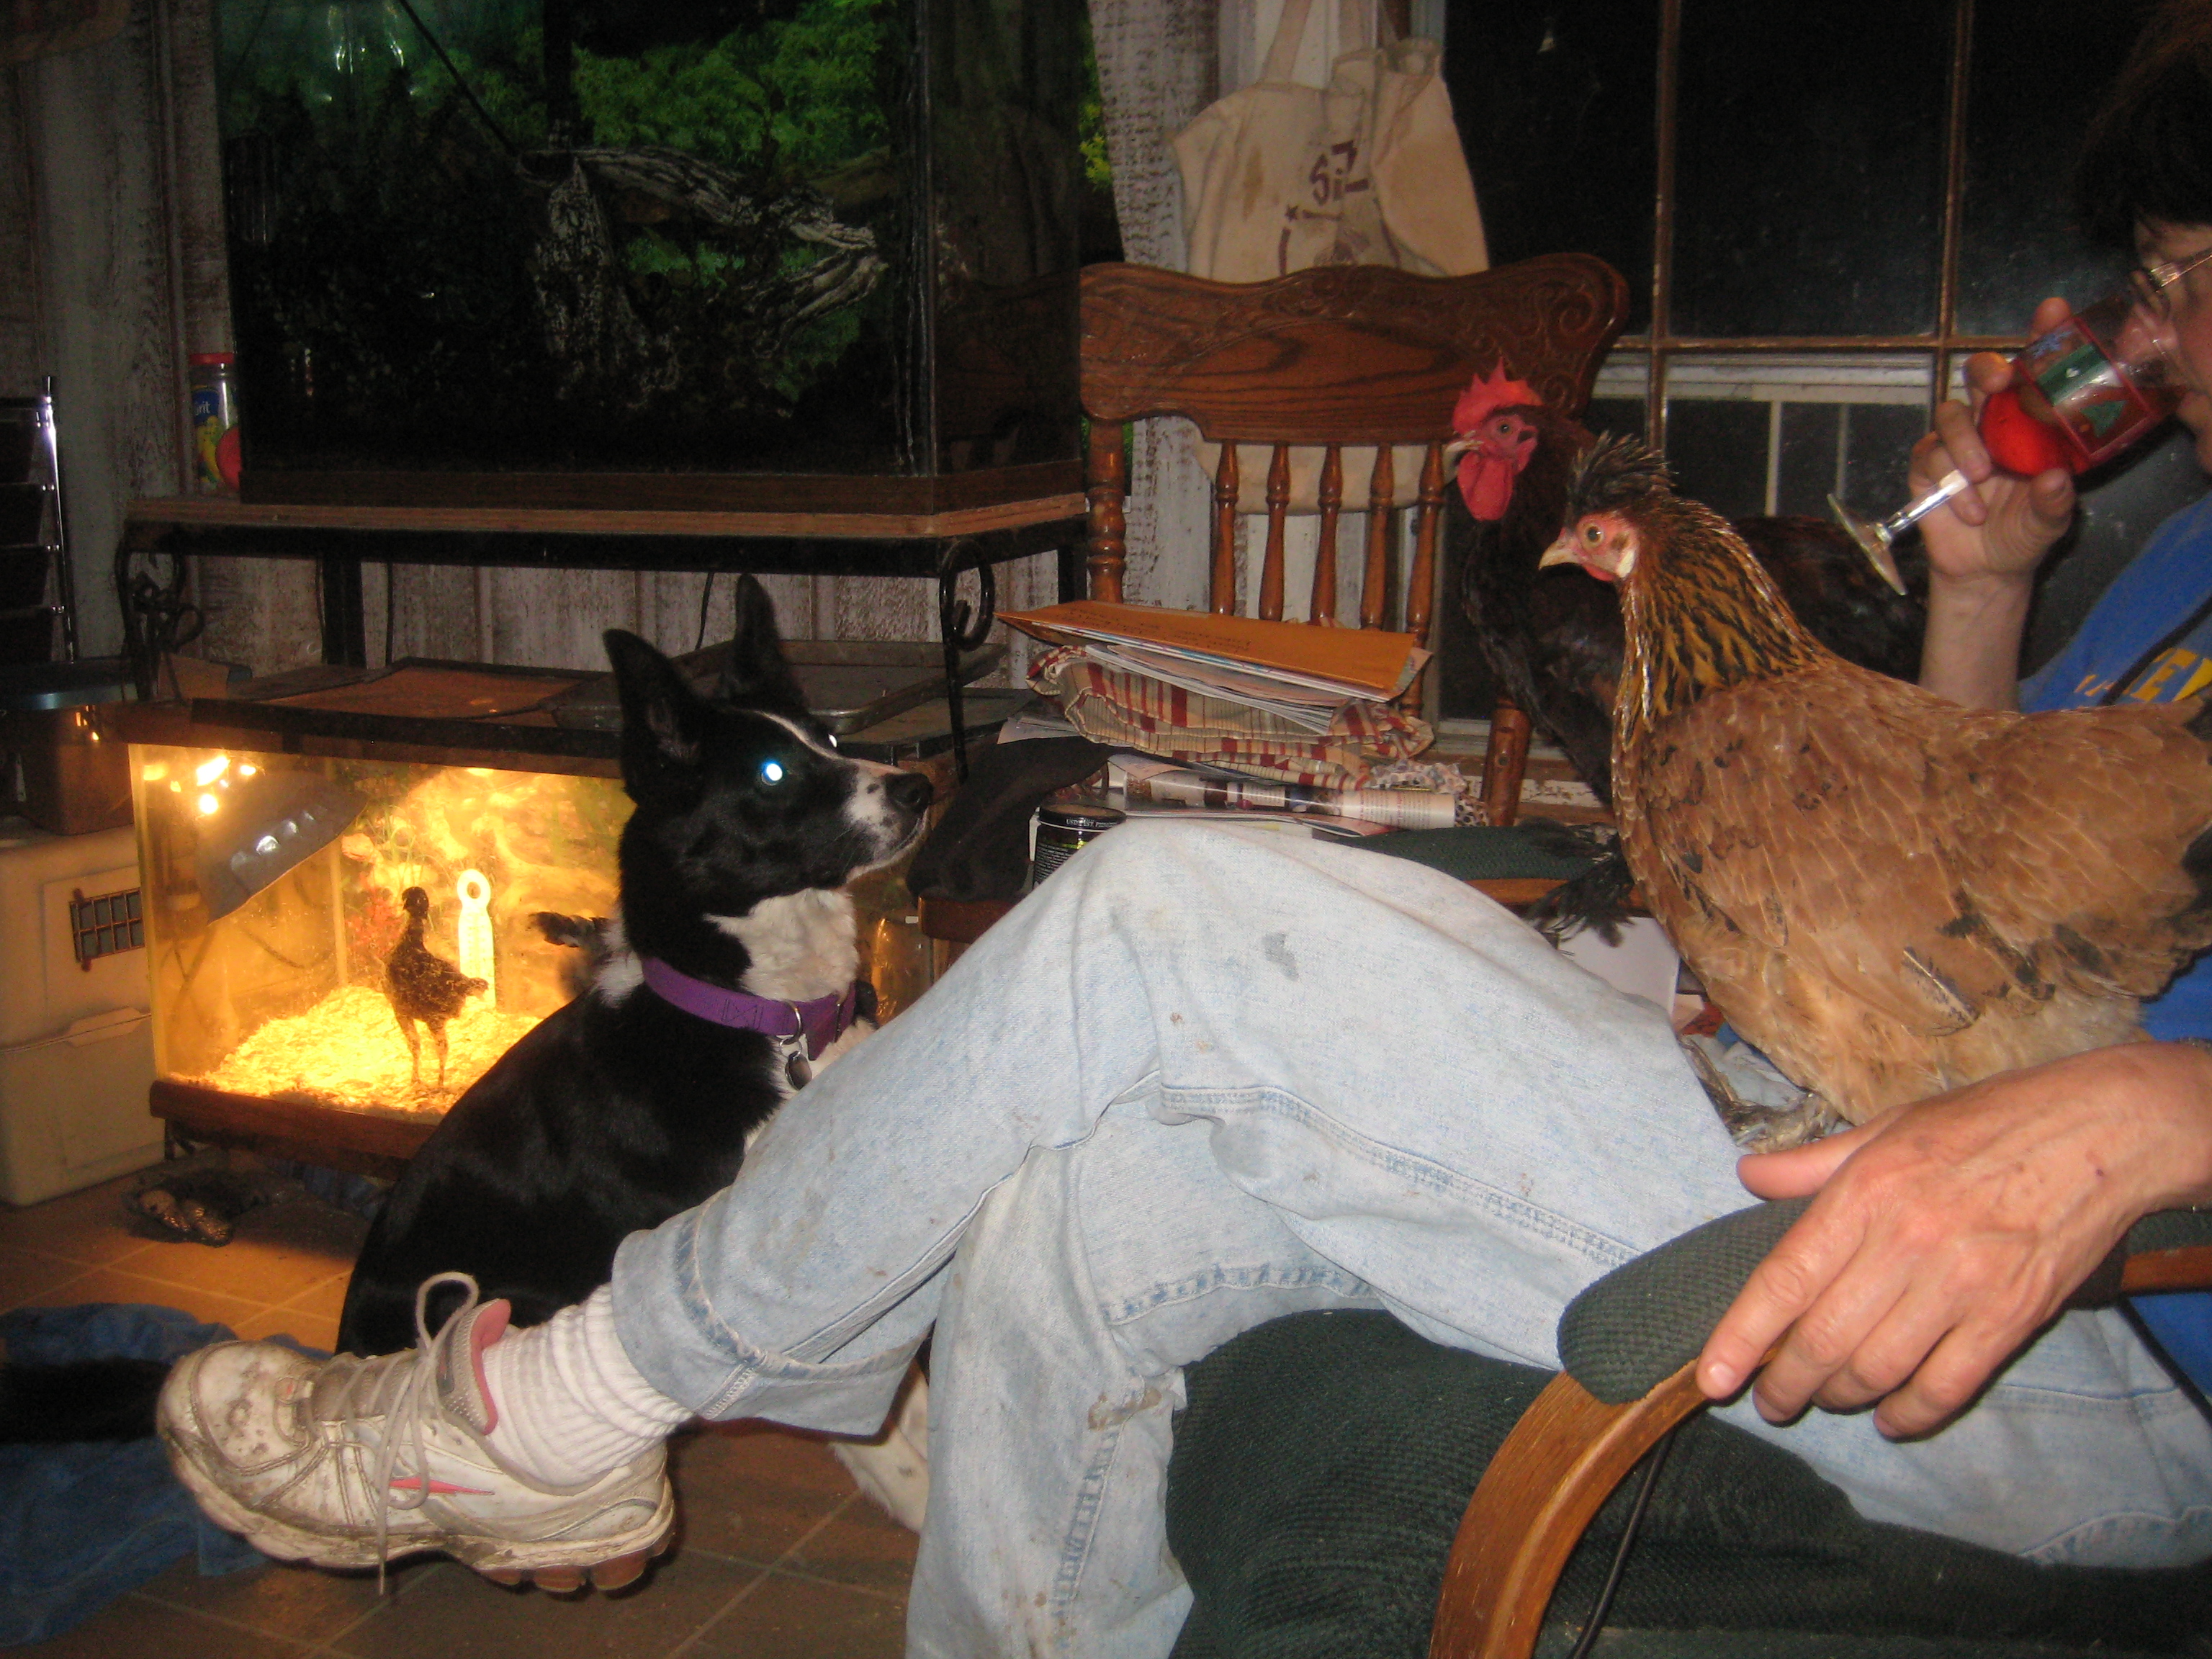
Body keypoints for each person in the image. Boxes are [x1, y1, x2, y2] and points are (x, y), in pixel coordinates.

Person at [160, 8, 2212, 1653]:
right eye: (2160, 278)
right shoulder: (2188, 560)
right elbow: (1967, 881)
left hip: (2093, 1325)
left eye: (2203, 274)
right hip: (1843, 1113)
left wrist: (2152, 1115)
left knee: (1158, 916)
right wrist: (1989, 588)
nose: (2160, 338)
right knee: (1083, 1195)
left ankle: (564, 1405)